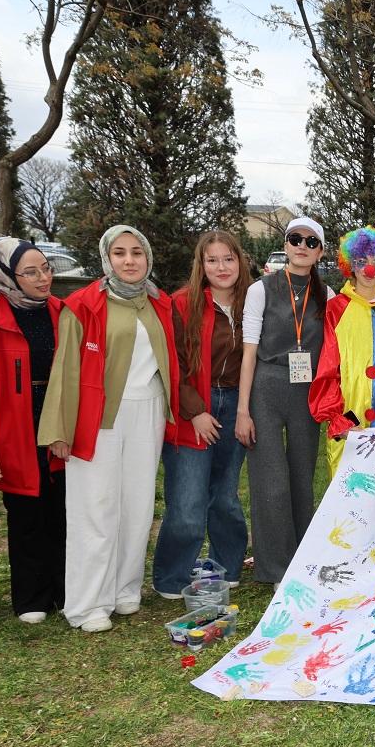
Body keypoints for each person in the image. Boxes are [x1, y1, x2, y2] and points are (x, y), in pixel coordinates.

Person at [37, 225, 179, 633]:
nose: (129, 260)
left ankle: (124, 589)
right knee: (95, 508)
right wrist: (60, 429)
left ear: (147, 257)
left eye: (137, 252)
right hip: (97, 415)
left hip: (148, 412)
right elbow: (65, 368)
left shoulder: (159, 302)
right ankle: (88, 604)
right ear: (106, 258)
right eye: (120, 253)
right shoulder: (82, 304)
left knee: (137, 506)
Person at [0, 238, 65, 624]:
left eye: (47, 268)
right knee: (25, 514)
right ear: (6, 276)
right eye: (31, 272)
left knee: (62, 511)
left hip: (59, 422)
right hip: (14, 425)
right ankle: (31, 597)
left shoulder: (64, 313)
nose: (44, 278)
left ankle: (65, 589)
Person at [153, 231, 252, 599]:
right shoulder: (182, 303)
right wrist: (195, 410)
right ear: (201, 264)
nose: (221, 267)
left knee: (225, 495)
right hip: (194, 405)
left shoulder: (253, 302)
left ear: (240, 261)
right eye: (212, 260)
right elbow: (171, 363)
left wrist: (246, 409)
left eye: (228, 258)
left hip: (236, 404)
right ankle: (172, 576)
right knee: (188, 499)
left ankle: (228, 564)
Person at [237, 217, 333, 588]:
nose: (302, 246)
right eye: (295, 239)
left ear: (320, 252)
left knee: (302, 477)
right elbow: (249, 352)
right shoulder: (260, 289)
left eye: (311, 242)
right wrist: (243, 410)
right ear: (285, 244)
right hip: (267, 384)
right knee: (271, 479)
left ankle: (300, 559)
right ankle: (275, 567)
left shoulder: (329, 296)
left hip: (307, 390)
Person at [309, 226, 375, 476]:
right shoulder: (336, 308)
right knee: (350, 491)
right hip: (350, 422)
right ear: (350, 266)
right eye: (361, 261)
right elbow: (328, 368)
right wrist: (340, 419)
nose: (370, 269)